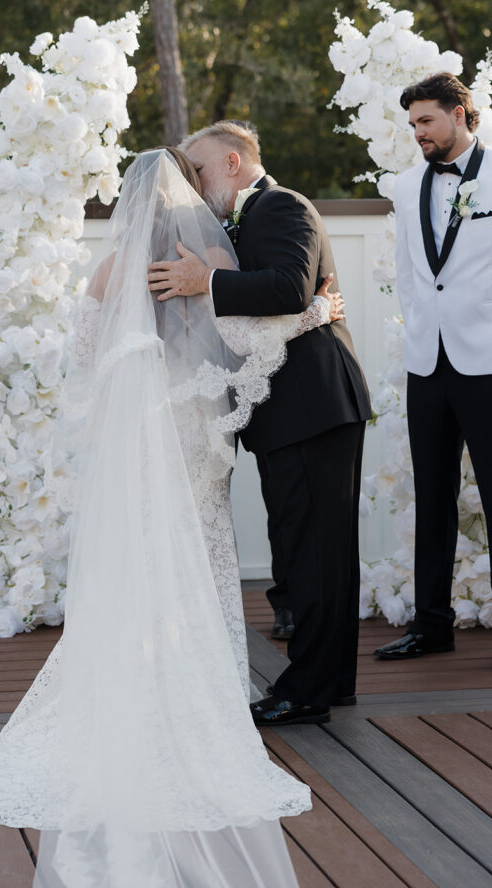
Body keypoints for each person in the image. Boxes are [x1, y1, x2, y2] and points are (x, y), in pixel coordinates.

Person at [0, 147, 353, 887]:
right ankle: (195, 701)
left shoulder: (111, 270)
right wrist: (319, 310)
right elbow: (249, 351)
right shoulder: (203, 256)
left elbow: (85, 360)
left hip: (137, 441)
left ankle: (130, 692)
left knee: (141, 563)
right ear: (186, 200)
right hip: (190, 440)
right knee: (196, 562)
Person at [147, 122, 371, 727]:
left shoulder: (281, 204)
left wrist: (208, 281)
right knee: (314, 549)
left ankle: (306, 690)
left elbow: (291, 287)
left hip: (311, 405)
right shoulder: (238, 223)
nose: (192, 184)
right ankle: (331, 680)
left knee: (312, 551)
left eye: (198, 170)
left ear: (233, 159)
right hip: (295, 410)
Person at [374, 73, 492, 675]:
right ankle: (431, 627)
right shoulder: (405, 187)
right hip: (428, 361)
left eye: (426, 121)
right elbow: (411, 270)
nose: (418, 134)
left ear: (460, 113)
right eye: (412, 125)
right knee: (433, 497)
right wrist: (416, 334)